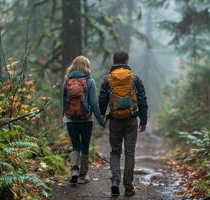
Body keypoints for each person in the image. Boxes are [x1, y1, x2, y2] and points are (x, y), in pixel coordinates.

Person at [99, 51, 148, 197]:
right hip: (131, 120)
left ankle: (115, 181)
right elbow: (143, 100)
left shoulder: (107, 80)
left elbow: (102, 100)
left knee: (115, 152)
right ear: (126, 61)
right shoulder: (135, 79)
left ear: (114, 61)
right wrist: (143, 120)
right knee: (129, 153)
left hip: (114, 120)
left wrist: (102, 117)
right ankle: (128, 187)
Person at [62, 56, 106, 185]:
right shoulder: (90, 81)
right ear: (87, 66)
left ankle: (74, 170)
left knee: (75, 145)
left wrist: (64, 115)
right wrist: (101, 120)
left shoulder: (67, 81)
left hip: (70, 119)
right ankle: (83, 175)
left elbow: (64, 101)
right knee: (85, 146)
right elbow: (93, 102)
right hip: (86, 119)